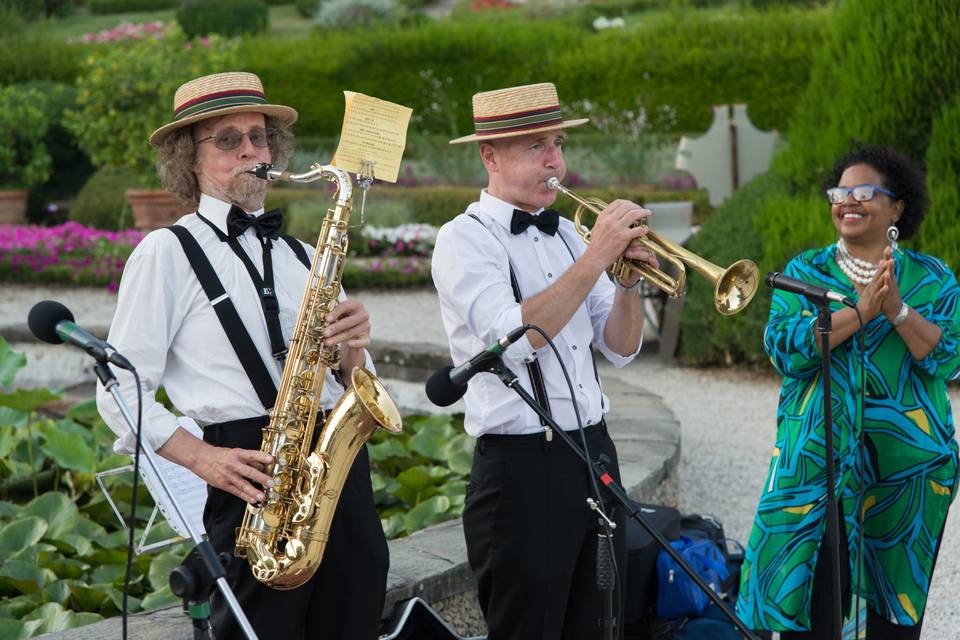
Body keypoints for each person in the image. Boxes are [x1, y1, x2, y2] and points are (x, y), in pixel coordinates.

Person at [95, 71, 388, 640]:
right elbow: (118, 386)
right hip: (248, 473)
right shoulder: (166, 252)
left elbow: (359, 382)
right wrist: (203, 459)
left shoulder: (306, 253)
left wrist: (354, 348)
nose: (253, 151)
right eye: (229, 140)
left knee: (354, 618)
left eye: (260, 137)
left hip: (335, 466)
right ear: (191, 159)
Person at [431, 82, 660, 639]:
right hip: (520, 469)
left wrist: (628, 284)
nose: (555, 160)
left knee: (600, 622)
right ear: (489, 156)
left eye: (557, 144)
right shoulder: (464, 239)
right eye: (536, 147)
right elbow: (517, 335)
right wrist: (600, 255)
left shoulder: (568, 235)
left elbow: (622, 348)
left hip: (593, 449)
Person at [737, 144, 959, 639]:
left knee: (891, 614)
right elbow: (785, 350)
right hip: (818, 465)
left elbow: (948, 357)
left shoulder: (932, 278)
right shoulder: (805, 273)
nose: (847, 202)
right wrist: (858, 312)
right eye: (839, 193)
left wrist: (897, 308)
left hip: (907, 473)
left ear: (897, 207)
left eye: (864, 192)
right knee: (813, 606)